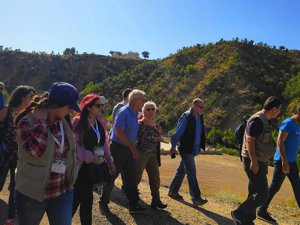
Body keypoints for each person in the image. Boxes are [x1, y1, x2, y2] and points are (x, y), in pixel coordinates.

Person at [14, 82, 81, 225]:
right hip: (33, 194)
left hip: (62, 190)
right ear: (57, 104)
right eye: (69, 107)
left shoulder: (63, 121)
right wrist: (41, 122)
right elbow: (34, 151)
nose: (71, 111)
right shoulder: (26, 122)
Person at [231, 96, 282, 225]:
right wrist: (253, 161)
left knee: (254, 191)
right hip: (253, 160)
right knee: (263, 193)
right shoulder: (258, 120)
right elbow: (249, 140)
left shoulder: (266, 120)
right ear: (274, 109)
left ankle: (246, 220)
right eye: (279, 109)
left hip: (261, 160)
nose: (279, 112)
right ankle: (239, 213)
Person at [100, 89, 146, 214]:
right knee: (112, 175)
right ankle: (103, 203)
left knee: (131, 176)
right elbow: (119, 131)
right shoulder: (124, 111)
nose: (143, 102)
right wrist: (132, 147)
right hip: (118, 149)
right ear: (135, 100)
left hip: (128, 148)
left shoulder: (134, 112)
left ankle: (133, 204)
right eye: (142, 99)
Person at [72, 94, 115, 225]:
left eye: (102, 105)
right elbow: (75, 146)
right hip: (82, 167)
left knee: (79, 197)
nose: (101, 108)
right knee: (86, 199)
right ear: (89, 107)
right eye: (98, 105)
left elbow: (105, 144)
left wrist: (109, 161)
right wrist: (90, 157)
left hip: (93, 167)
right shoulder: (78, 122)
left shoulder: (100, 122)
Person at [257, 105, 300, 223]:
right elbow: (280, 142)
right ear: (298, 113)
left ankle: (262, 209)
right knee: (275, 187)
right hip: (282, 161)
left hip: (292, 161)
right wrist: (284, 161)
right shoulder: (288, 123)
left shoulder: (298, 125)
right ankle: (261, 209)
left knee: (298, 187)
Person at [0, 85, 35, 225]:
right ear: (22, 97)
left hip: (20, 157)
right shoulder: (6, 110)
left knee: (16, 187)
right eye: (30, 96)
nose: (33, 99)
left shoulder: (31, 115)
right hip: (4, 154)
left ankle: (10, 217)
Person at [168, 98, 208, 207]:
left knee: (181, 170)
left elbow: (199, 133)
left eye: (203, 107)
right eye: (200, 107)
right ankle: (196, 198)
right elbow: (177, 133)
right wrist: (173, 146)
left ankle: (172, 191)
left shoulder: (199, 117)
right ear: (194, 106)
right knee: (191, 173)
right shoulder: (186, 116)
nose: (202, 109)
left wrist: (199, 146)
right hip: (185, 149)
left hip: (192, 149)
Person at [135, 101, 167, 209]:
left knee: (155, 178)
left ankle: (156, 200)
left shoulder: (156, 125)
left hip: (152, 154)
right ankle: (133, 201)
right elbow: (140, 139)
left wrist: (159, 134)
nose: (150, 111)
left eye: (152, 109)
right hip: (141, 154)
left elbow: (156, 137)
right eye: (148, 109)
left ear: (155, 111)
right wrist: (157, 139)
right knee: (136, 178)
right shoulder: (140, 123)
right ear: (143, 111)